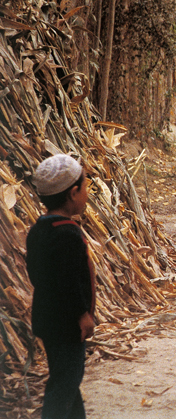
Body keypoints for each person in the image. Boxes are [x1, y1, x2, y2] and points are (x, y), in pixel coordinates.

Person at [26, 153, 95, 419]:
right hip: (67, 324)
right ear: (74, 193)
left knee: (66, 379)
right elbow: (68, 282)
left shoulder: (40, 230)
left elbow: (38, 274)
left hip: (46, 318)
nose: (86, 194)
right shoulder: (68, 234)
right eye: (86, 188)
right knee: (65, 383)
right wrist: (82, 314)